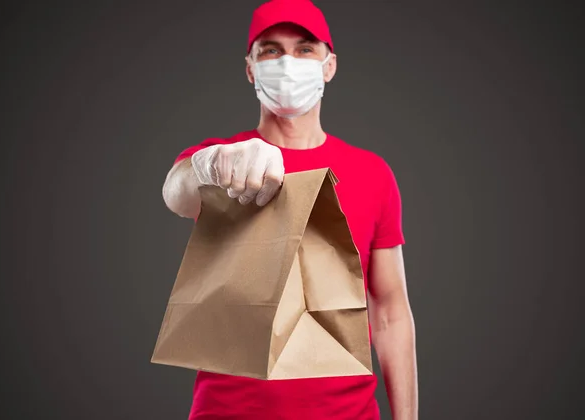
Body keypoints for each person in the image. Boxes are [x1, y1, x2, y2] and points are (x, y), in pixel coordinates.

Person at [161, 0, 418, 418]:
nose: (287, 62)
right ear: (250, 69)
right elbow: (177, 191)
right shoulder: (224, 159)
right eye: (270, 50)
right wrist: (208, 166)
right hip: (227, 411)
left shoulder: (373, 173)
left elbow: (390, 310)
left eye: (304, 49)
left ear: (328, 65)